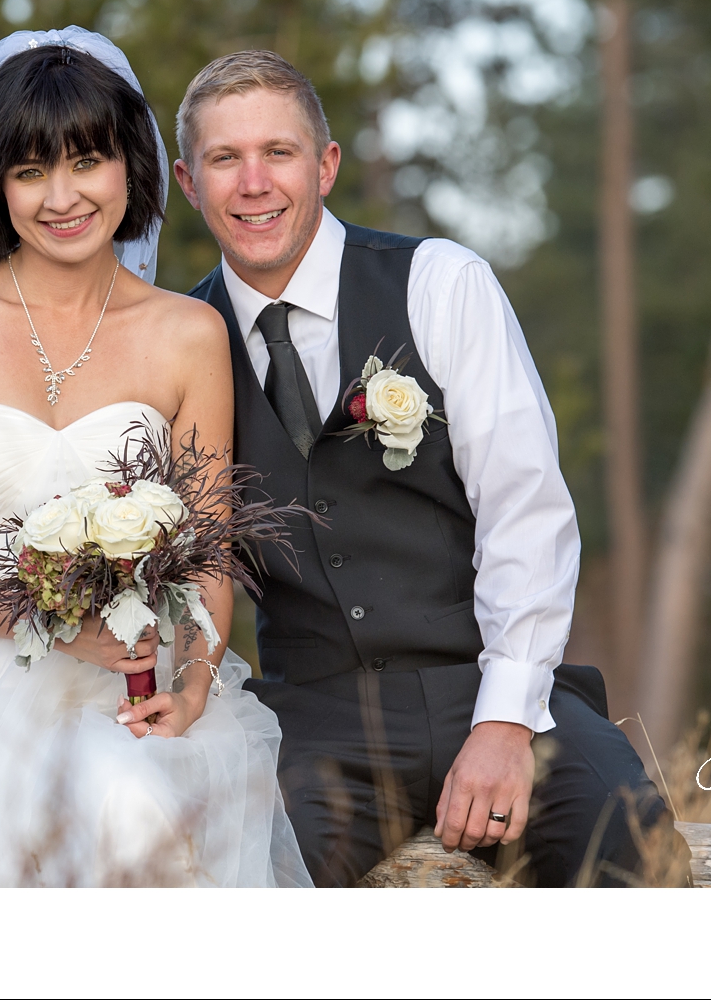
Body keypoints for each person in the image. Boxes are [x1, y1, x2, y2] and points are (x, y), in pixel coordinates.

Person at [174, 50, 675, 887]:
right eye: (226, 159)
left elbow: (527, 507)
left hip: (483, 680)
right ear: (190, 183)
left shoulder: (441, 283)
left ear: (326, 165)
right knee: (236, 881)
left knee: (632, 850)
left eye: (280, 152)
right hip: (309, 719)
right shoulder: (181, 340)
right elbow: (158, 567)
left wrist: (507, 723)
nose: (254, 182)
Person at [0, 28, 309, 887]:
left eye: (86, 161)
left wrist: (192, 686)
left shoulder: (189, 333)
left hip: (133, 697)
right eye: (29, 171)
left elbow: (208, 556)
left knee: (127, 808)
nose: (62, 197)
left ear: (131, 165)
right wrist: (63, 630)